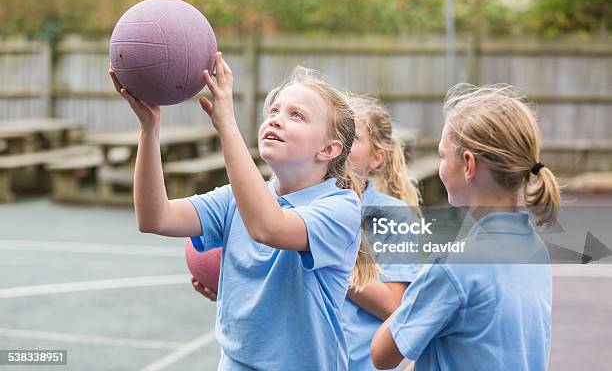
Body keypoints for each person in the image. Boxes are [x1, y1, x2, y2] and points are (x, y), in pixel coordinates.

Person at [109, 55, 370, 370]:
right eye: (273, 111)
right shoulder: (235, 200)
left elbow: (268, 228)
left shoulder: (340, 208)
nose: (275, 119)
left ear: (328, 149)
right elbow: (155, 218)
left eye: (297, 115)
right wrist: (149, 130)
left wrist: (227, 125)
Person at [370, 84, 560, 371]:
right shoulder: (534, 249)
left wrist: (419, 291)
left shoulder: (454, 266)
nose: (441, 165)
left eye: (442, 156)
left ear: (468, 165)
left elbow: (381, 355)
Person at [342, 94, 422, 370]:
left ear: (376, 158)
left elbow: (393, 304)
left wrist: (330, 253)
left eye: (351, 137)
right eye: (333, 130)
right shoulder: (298, 206)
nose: (339, 141)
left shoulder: (393, 216)